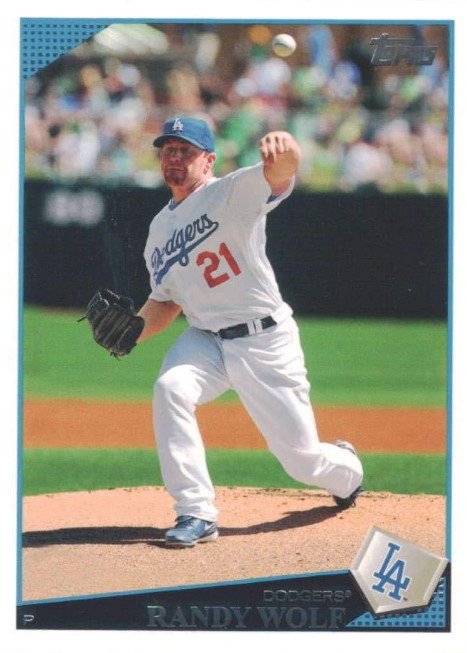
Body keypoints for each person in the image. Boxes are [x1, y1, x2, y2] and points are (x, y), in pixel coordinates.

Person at [137, 116, 363, 547]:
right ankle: (196, 511)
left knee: (301, 460)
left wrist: (287, 146)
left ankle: (347, 468)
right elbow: (166, 302)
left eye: (185, 151)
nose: (175, 158)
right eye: (168, 150)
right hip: (206, 339)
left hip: (264, 339)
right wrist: (132, 333)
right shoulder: (159, 230)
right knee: (171, 388)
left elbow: (281, 173)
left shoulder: (231, 191)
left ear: (208, 161)